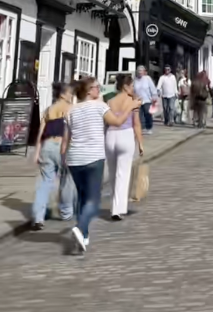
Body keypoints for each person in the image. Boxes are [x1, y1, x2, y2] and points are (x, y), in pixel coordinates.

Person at [62, 76, 140, 253]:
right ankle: (80, 227)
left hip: (74, 159)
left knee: (82, 196)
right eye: (97, 87)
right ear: (89, 91)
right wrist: (131, 107)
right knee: (93, 200)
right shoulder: (100, 107)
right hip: (93, 157)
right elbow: (118, 122)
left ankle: (84, 235)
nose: (100, 90)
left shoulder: (70, 110)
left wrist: (63, 159)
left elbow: (66, 139)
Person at [31, 82, 75, 231]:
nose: (72, 95)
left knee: (44, 183)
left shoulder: (48, 110)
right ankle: (66, 212)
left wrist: (37, 152)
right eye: (70, 93)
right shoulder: (70, 109)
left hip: (47, 146)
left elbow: (41, 133)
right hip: (63, 146)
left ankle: (38, 217)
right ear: (62, 94)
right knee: (67, 180)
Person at [105, 74, 144, 221]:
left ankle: (114, 207)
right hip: (125, 135)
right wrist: (140, 143)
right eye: (132, 85)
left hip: (110, 136)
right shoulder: (133, 101)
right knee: (123, 173)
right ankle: (118, 208)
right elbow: (136, 124)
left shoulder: (109, 101)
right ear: (125, 87)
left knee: (113, 173)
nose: (133, 88)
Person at [134, 65, 158, 135]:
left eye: (141, 71)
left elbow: (152, 88)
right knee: (139, 115)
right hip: (138, 100)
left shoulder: (147, 78)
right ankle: (142, 128)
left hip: (147, 100)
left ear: (144, 72)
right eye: (139, 71)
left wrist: (154, 96)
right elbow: (133, 90)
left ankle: (149, 127)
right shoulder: (135, 79)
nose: (140, 72)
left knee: (148, 114)